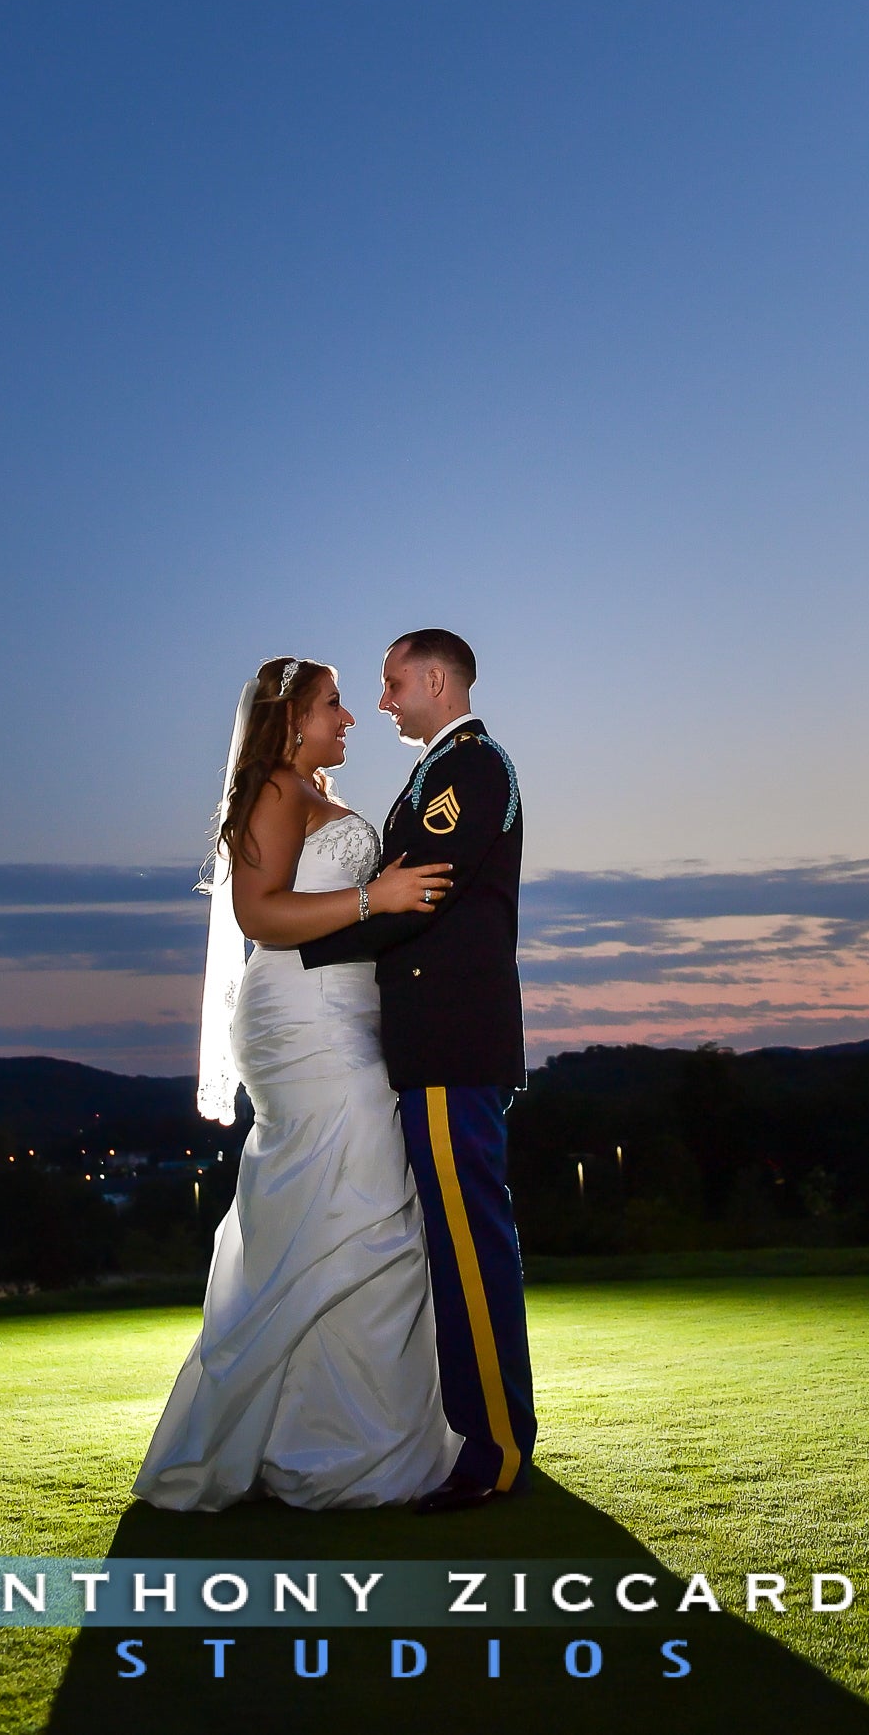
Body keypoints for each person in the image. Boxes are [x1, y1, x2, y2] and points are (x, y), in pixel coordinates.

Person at [133, 656, 461, 1511]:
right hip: (303, 1020)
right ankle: (338, 1451)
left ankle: (325, 1437)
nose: (349, 718)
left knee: (350, 1211)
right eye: (331, 704)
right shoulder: (277, 790)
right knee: (358, 1204)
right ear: (289, 720)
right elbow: (259, 914)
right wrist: (373, 900)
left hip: (348, 1014)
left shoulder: (312, 792)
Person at [298, 629, 537, 1511]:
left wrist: (306, 944)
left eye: (394, 683)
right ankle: (475, 1431)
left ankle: (497, 1448)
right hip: (433, 1042)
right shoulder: (437, 772)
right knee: (451, 1243)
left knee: (470, 1247)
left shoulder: (471, 769)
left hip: (451, 1041)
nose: (385, 700)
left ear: (436, 679)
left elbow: (422, 886)